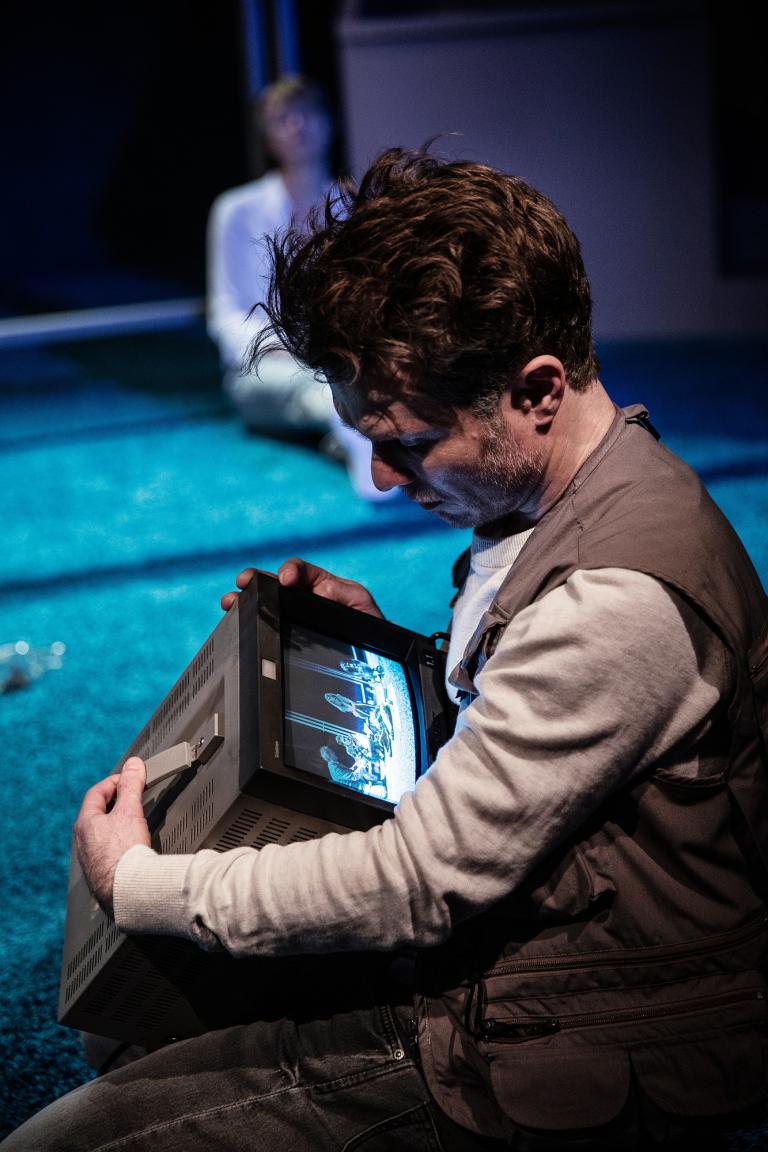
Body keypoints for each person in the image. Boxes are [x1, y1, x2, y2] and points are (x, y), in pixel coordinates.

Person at [6, 147, 768, 1151]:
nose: (377, 474)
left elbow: (416, 881)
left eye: (407, 442)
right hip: (522, 957)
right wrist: (388, 645)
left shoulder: (615, 600)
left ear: (538, 390)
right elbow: (544, 727)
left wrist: (141, 885)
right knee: (134, 1019)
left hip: (562, 1026)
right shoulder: (576, 487)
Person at [206, 74, 391, 503]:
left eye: (306, 112)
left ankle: (359, 436)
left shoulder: (353, 209)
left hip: (341, 360)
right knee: (327, 390)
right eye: (281, 117)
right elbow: (227, 315)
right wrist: (298, 349)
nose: (296, 125)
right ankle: (359, 441)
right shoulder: (236, 210)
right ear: (266, 134)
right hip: (265, 369)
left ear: (329, 122)